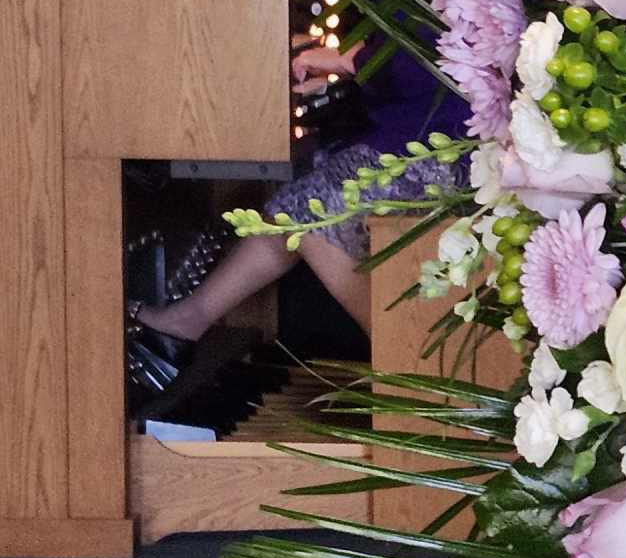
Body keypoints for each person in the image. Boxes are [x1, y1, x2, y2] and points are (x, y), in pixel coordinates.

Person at [129, 36, 468, 360]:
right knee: (303, 190)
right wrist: (342, 76)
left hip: (451, 148)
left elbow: (421, 64)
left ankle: (406, 363)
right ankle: (187, 321)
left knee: (309, 213)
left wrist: (342, 60)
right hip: (426, 130)